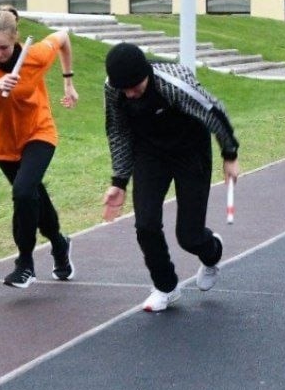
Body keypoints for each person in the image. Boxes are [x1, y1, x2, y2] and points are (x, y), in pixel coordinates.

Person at [102, 42, 239, 312]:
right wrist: (119, 180)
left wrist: (230, 154)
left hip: (190, 152)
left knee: (189, 237)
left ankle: (211, 251)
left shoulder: (174, 84)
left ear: (146, 74)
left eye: (135, 87)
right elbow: (117, 131)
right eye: (125, 90)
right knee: (146, 225)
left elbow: (214, 112)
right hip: (150, 153)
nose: (130, 94)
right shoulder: (114, 88)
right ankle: (165, 286)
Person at [0, 6, 78, 288]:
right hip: (3, 143)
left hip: (39, 133)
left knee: (24, 191)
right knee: (33, 197)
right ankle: (59, 242)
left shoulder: (35, 55)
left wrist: (68, 82)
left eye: (3, 47)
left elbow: (63, 37)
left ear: (15, 39)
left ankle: (24, 264)